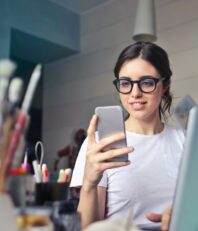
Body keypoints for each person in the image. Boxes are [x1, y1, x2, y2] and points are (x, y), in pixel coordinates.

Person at [70, 41, 185, 230]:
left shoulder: (185, 140)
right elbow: (88, 228)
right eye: (126, 84)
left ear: (165, 85)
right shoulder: (100, 144)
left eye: (147, 82)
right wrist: (89, 183)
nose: (135, 93)